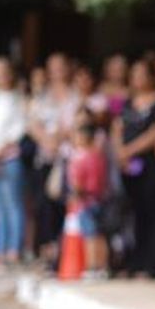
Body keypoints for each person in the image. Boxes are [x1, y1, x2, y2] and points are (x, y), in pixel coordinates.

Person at [113, 60, 155, 277]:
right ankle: (135, 260)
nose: (138, 79)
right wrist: (120, 152)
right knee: (134, 214)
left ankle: (153, 262)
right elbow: (117, 126)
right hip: (128, 167)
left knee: (153, 212)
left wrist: (130, 150)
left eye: (142, 74)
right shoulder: (127, 102)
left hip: (150, 164)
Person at [27, 53, 79, 264]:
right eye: (53, 67)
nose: (57, 71)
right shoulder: (42, 97)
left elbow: (79, 121)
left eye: (61, 66)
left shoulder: (76, 96)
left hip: (68, 157)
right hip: (45, 157)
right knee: (43, 205)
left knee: (63, 204)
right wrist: (46, 140)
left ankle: (63, 250)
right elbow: (32, 123)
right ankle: (48, 247)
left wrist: (59, 137)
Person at [67, 111, 108, 277]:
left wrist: (74, 197)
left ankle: (92, 267)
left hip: (84, 202)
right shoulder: (99, 157)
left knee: (90, 236)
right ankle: (103, 267)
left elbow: (77, 184)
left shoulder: (80, 158)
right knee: (100, 235)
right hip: (99, 199)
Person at [0, 57, 27, 267]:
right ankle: (0, 248)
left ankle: (14, 248)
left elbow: (19, 129)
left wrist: (1, 150)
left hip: (9, 157)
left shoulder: (18, 99)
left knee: (13, 203)